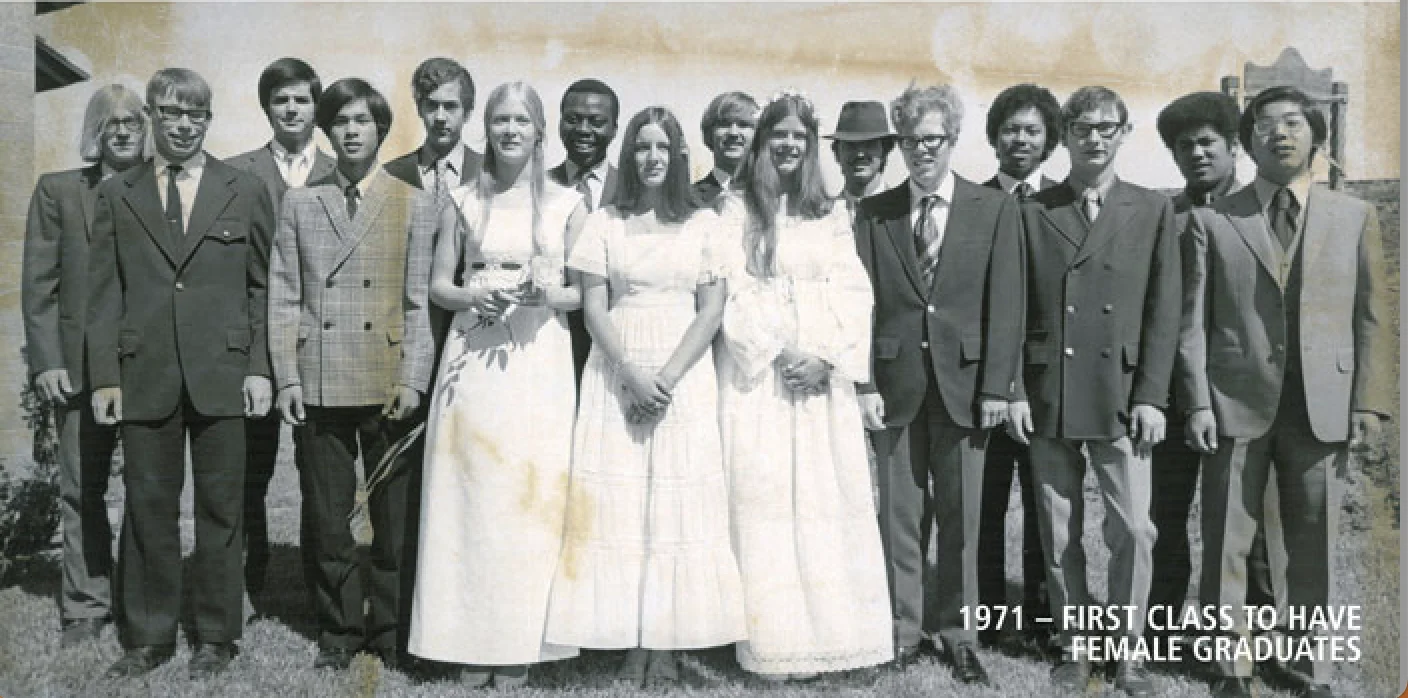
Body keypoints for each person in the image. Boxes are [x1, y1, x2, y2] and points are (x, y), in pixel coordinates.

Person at [1180, 86, 1392, 698]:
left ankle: (1306, 667)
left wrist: (1369, 402)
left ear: (1316, 139)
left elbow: (1373, 315)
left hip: (1321, 405)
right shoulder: (1215, 221)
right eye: (1266, 125)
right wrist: (1196, 401)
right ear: (1248, 143)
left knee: (1312, 543)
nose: (1280, 134)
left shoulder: (1353, 217)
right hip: (1233, 404)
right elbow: (1192, 323)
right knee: (1228, 538)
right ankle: (1232, 668)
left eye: (1294, 123)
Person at [543, 106, 746, 686]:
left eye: (663, 147)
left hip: (684, 373)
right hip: (617, 370)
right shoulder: (606, 220)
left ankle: (668, 642)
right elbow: (593, 306)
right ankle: (632, 643)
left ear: (679, 155)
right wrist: (631, 374)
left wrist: (667, 379)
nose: (652, 157)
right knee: (625, 508)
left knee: (676, 508)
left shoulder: (704, 224)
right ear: (628, 156)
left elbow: (711, 310)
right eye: (641, 147)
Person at [87, 68, 275, 679]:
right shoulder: (118, 193)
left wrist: (257, 368)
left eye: (197, 115)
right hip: (145, 372)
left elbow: (260, 289)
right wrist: (106, 377)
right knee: (148, 506)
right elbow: (104, 292)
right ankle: (147, 637)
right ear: (152, 118)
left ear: (208, 120)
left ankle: (217, 637)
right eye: (172, 113)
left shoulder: (242, 189)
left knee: (222, 509)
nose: (186, 125)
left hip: (222, 373)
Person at [1005, 86, 1180, 698]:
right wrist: (1014, 388)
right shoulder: (1033, 209)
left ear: (1125, 134)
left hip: (1123, 394)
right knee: (1059, 531)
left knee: (1134, 529)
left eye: (1107, 127)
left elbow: (1165, 310)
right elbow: (1013, 305)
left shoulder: (1152, 208)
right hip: (1049, 388)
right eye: (1082, 128)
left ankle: (1128, 656)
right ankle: (1076, 648)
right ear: (1067, 136)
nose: (1095, 138)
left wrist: (1153, 396)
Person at [409, 81, 584, 688]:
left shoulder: (566, 204)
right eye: (500, 120)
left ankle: (520, 643)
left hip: (538, 356)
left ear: (540, 132)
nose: (511, 130)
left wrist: (543, 294)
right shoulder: (463, 200)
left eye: (522, 120)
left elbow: (584, 292)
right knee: (472, 487)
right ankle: (467, 640)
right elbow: (439, 285)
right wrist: (476, 296)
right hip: (475, 352)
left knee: (526, 490)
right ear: (488, 128)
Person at [717, 91, 892, 681]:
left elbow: (855, 295)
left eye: (799, 136)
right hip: (762, 386)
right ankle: (774, 644)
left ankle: (838, 641)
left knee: (826, 507)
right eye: (778, 135)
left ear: (812, 145)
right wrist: (778, 350)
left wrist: (826, 358)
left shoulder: (832, 214)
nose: (789, 145)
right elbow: (734, 294)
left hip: (821, 387)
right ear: (764, 143)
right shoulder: (736, 211)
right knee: (766, 507)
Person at [266, 77, 438, 672]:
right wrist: (287, 378)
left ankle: (389, 631)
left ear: (381, 129)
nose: (351, 130)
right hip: (319, 379)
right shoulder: (299, 203)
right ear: (325, 131)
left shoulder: (413, 201)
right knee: (327, 515)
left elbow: (418, 303)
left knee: (392, 522)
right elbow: (285, 297)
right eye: (339, 121)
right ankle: (339, 631)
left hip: (388, 379)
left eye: (363, 120)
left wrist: (414, 378)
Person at [853, 84, 1022, 687]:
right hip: (895, 384)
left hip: (967, 386)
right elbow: (861, 307)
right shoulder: (875, 215)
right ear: (898, 143)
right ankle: (901, 631)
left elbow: (1007, 303)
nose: (922, 151)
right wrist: (864, 383)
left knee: (962, 517)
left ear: (953, 140)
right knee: (899, 514)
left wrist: (999, 386)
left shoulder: (993, 209)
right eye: (910, 141)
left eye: (933, 140)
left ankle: (959, 635)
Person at [1149, 90, 1279, 652]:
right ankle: (1160, 625)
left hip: (1241, 396)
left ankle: (1250, 634)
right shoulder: (1164, 218)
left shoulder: (1260, 214)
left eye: (1208, 143)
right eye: (1185, 146)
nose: (1197, 154)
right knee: (1166, 516)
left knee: (1246, 524)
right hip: (1174, 399)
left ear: (1235, 148)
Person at [22, 83, 146, 649]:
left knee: (151, 490)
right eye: (110, 121)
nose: (121, 130)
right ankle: (85, 606)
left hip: (148, 367)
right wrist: (46, 361)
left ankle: (142, 600)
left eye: (132, 121)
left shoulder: (163, 190)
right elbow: (40, 287)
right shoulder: (57, 191)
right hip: (76, 369)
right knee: (82, 490)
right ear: (94, 131)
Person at [226, 56, 336, 613]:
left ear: (317, 107)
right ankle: (247, 580)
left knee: (319, 474)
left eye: (301, 99)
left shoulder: (342, 172)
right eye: (280, 100)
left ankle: (322, 593)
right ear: (266, 106)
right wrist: (253, 360)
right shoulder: (236, 173)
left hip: (320, 342)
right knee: (250, 469)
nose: (291, 109)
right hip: (254, 344)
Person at [975, 82, 1061, 656]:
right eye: (1010, 129)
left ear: (1050, 138)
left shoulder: (1064, 204)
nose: (1020, 139)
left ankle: (1039, 618)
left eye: (1032, 129)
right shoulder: (974, 205)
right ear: (994, 137)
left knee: (1042, 504)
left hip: (1050, 384)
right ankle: (984, 617)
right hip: (984, 382)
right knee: (984, 504)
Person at [549, 78, 621, 386]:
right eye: (573, 119)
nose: (583, 129)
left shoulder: (631, 190)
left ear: (614, 130)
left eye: (596, 122)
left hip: (616, 339)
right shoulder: (540, 188)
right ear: (560, 123)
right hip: (552, 338)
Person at [383, 57, 482, 195]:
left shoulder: (489, 170)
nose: (440, 117)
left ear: (467, 113)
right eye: (432, 106)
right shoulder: (390, 174)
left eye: (450, 106)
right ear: (419, 109)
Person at [826, 100, 895, 221]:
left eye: (869, 144)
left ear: (885, 150)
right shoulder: (825, 215)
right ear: (836, 153)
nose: (860, 154)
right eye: (850, 145)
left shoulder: (905, 211)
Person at [693, 91, 758, 207]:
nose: (733, 133)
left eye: (743, 124)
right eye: (724, 124)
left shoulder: (772, 196)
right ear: (709, 133)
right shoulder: (691, 198)